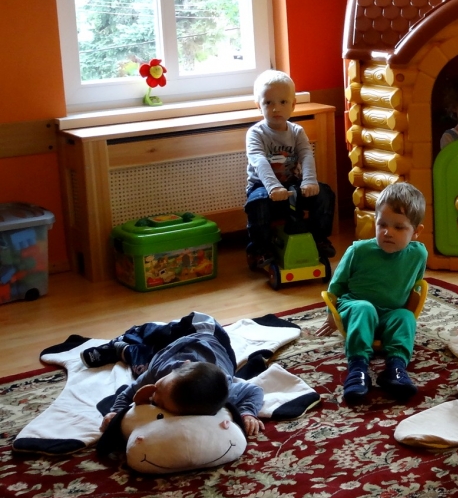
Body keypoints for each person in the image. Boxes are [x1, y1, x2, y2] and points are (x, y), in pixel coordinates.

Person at [315, 182, 428, 404]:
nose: (388, 232)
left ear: (416, 232)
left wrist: (405, 310)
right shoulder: (358, 251)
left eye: (399, 227)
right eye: (382, 224)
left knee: (405, 317)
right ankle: (358, 368)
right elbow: (336, 286)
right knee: (365, 308)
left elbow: (414, 285)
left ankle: (395, 368)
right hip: (356, 308)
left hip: (389, 315)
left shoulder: (419, 254)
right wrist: (331, 315)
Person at [81, 312, 265, 437]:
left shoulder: (221, 390)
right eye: (159, 388)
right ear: (184, 365)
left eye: (160, 403)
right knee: (154, 337)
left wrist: (247, 413)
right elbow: (127, 393)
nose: (154, 395)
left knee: (139, 364)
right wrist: (115, 412)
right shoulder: (160, 373)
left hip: (213, 352)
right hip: (198, 329)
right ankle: (132, 335)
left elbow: (253, 391)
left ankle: (123, 350)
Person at [245, 70, 336, 271]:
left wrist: (309, 181)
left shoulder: (297, 132)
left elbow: (306, 155)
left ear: (293, 105)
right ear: (259, 105)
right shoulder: (255, 133)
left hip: (292, 186)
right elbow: (259, 161)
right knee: (257, 203)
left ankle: (318, 238)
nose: (276, 108)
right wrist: (273, 187)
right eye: (268, 102)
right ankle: (259, 249)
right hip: (263, 187)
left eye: (283, 102)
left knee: (325, 194)